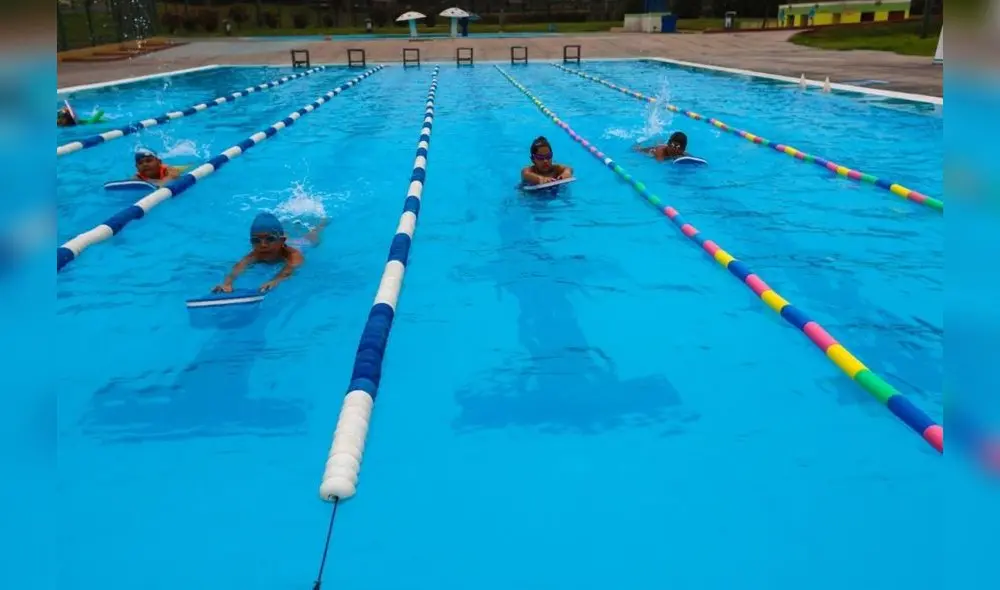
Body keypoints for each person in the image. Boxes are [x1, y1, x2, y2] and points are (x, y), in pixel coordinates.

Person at [213, 212, 327, 294]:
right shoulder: (255, 254)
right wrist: (227, 283)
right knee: (275, 233)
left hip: (301, 243)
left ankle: (322, 223)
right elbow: (238, 268)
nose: (263, 244)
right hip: (281, 240)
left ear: (282, 241)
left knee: (313, 236)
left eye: (269, 239)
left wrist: (274, 281)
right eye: (256, 240)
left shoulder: (294, 255)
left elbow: (288, 271)